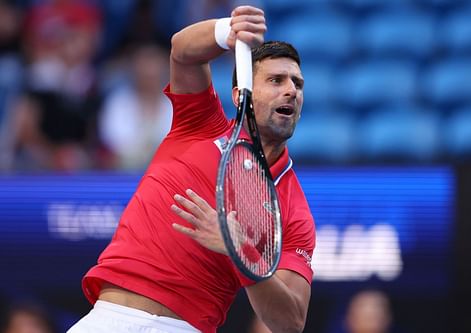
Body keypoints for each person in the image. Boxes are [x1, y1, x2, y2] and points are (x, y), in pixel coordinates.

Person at [68, 5, 315, 333]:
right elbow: (183, 53)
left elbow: (291, 322)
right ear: (242, 94)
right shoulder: (201, 123)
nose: (291, 91)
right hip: (106, 319)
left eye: (297, 83)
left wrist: (240, 251)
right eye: (276, 80)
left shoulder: (294, 210)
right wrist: (225, 31)